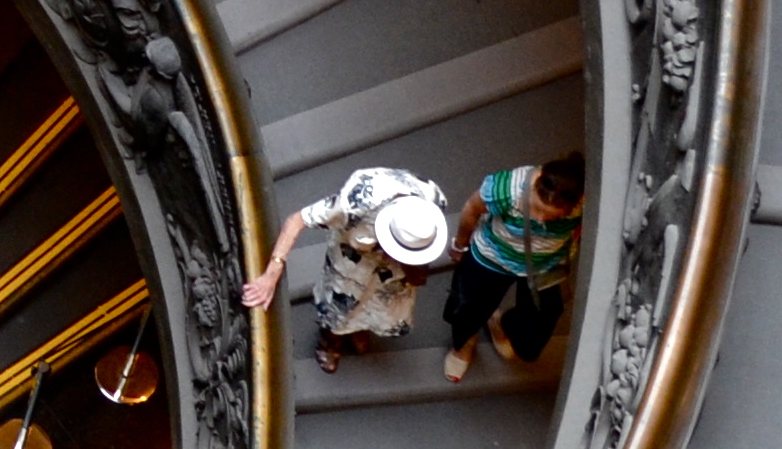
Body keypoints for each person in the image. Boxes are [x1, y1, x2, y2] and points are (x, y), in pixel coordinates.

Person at [241, 164, 450, 375]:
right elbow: (297, 220)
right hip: (352, 266)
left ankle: (359, 327)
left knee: (383, 305)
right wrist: (271, 274)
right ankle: (331, 340)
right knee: (340, 305)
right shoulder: (355, 204)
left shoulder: (430, 203)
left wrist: (410, 262)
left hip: (390, 275)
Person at [441, 154, 586, 383]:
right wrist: (460, 245)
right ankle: (465, 342)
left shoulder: (585, 202)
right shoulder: (508, 189)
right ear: (536, 182)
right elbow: (471, 209)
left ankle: (501, 322)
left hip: (544, 264)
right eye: (536, 208)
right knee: (469, 306)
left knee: (544, 313)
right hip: (494, 256)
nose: (540, 218)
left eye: (551, 215)